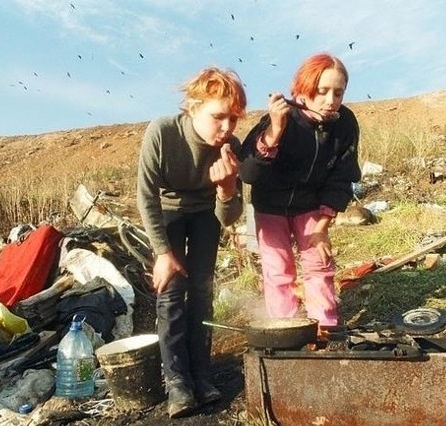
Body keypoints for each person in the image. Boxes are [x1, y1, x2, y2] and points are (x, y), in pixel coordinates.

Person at [136, 67, 246, 418]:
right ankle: (178, 383)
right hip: (167, 211)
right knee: (170, 295)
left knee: (202, 291)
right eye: (218, 117)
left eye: (233, 119)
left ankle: (202, 374)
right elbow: (145, 196)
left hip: (205, 214)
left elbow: (229, 217)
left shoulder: (232, 147)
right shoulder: (164, 132)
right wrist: (162, 253)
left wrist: (227, 189)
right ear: (193, 107)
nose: (227, 128)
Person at [239, 53, 361, 328]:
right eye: (322, 91)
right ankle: (286, 331)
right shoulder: (281, 118)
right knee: (279, 272)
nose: (330, 100)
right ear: (303, 90)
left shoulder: (345, 124)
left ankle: (325, 329)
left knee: (319, 264)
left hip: (311, 204)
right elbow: (248, 173)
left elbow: (342, 177)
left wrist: (322, 226)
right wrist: (276, 130)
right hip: (270, 205)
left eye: (338, 92)